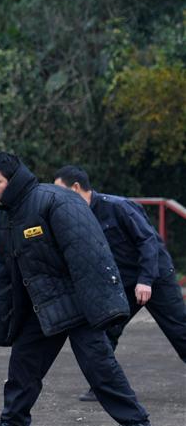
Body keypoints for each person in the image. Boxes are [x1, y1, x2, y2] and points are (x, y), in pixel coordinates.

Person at [0, 151, 152, 426]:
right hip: (41, 303)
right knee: (23, 362)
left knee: (98, 362)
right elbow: (10, 265)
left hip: (77, 300)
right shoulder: (5, 214)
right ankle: (14, 421)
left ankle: (137, 421)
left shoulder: (55, 200)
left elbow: (86, 254)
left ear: (14, 180)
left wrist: (99, 304)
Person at [53, 165, 186, 401]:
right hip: (121, 281)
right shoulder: (75, 217)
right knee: (105, 329)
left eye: (60, 191)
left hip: (154, 276)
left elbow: (148, 242)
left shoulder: (118, 206)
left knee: (180, 330)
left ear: (75, 188)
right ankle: (105, 387)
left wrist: (146, 280)